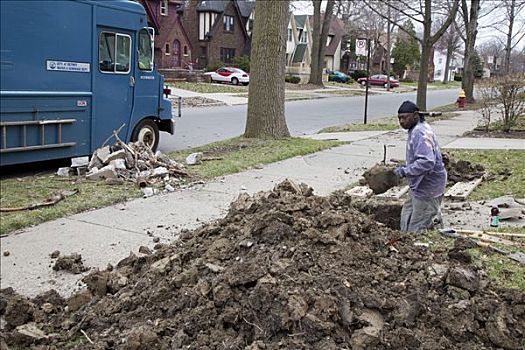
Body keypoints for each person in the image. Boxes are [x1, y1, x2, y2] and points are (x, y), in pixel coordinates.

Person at [394, 100, 447, 233]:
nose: (401, 121)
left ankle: (418, 246)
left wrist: (404, 171)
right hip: (418, 186)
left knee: (416, 227)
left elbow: (427, 162)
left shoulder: (420, 132)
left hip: (428, 188)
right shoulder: (417, 128)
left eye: (404, 117)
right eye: (399, 118)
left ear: (415, 115)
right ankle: (405, 240)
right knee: (406, 216)